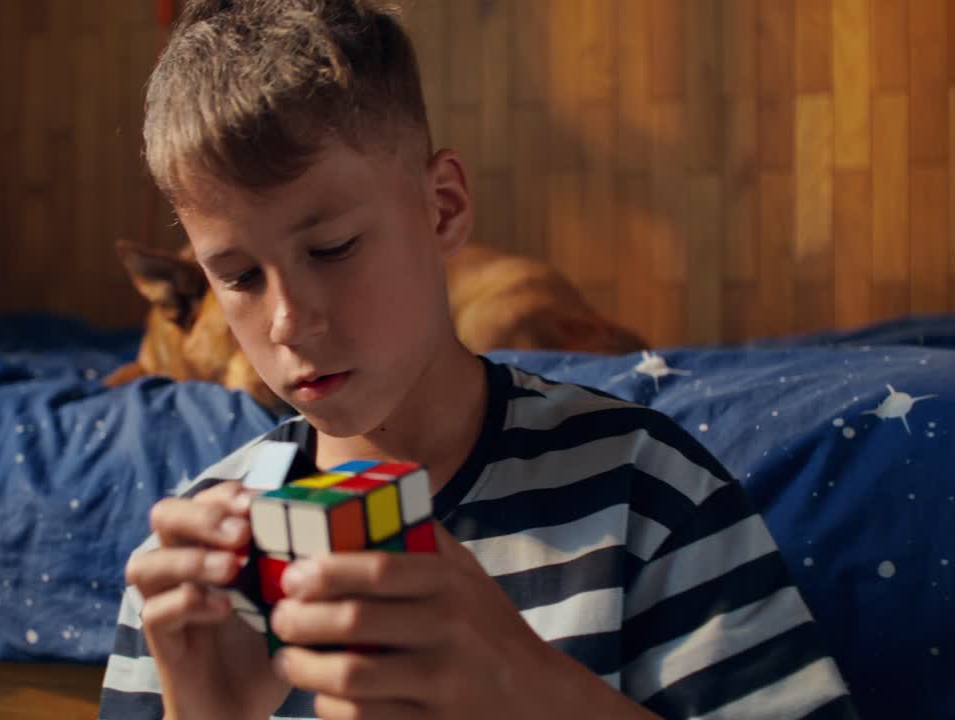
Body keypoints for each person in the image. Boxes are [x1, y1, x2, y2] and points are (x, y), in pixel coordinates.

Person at [100, 1, 858, 717]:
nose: (290, 321)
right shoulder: (187, 572)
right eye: (238, 277)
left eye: (332, 249)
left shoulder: (646, 488)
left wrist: (531, 691)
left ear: (443, 209)